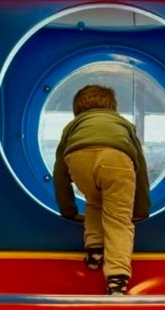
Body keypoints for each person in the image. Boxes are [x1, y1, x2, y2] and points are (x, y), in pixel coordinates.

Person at [53, 84, 151, 295]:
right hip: (116, 157)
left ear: (77, 109)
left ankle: (95, 250)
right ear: (112, 107)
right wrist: (141, 208)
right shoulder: (123, 124)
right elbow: (140, 169)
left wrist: (68, 210)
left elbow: (60, 174)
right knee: (118, 218)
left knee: (94, 199)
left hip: (78, 158)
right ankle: (117, 278)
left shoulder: (72, 126)